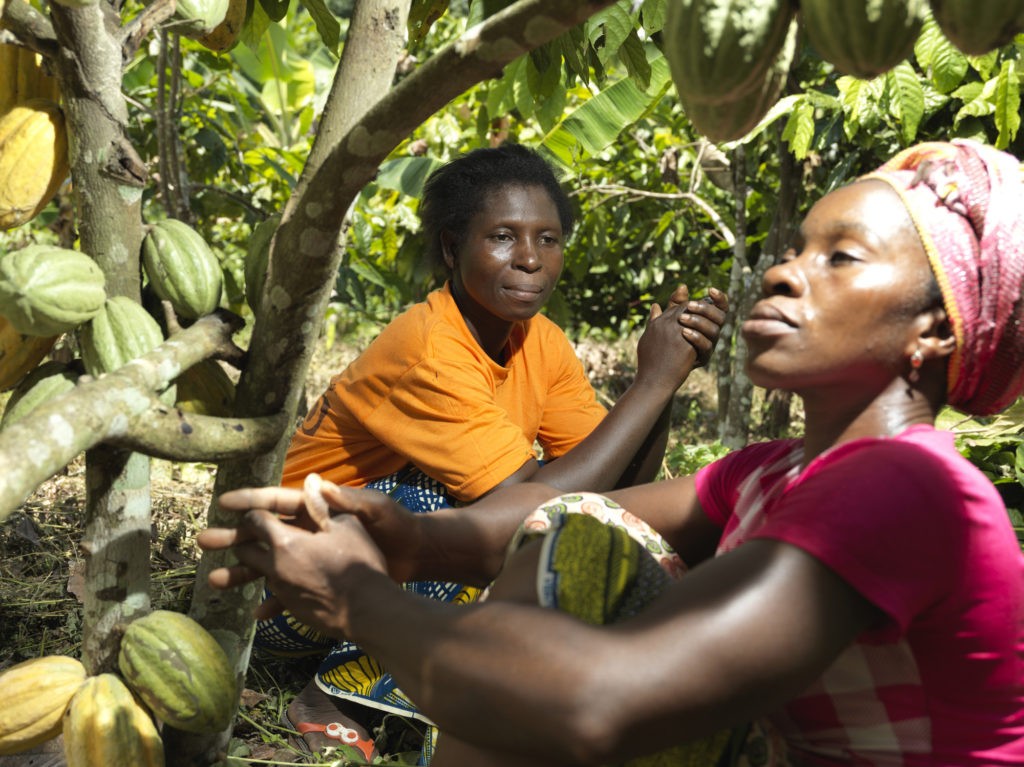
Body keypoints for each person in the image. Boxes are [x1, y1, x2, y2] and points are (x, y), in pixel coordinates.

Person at [200, 138, 1024, 766]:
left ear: (937, 328)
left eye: (837, 257)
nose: (784, 272)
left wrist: (356, 592)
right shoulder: (769, 473)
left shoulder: (904, 484)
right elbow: (553, 511)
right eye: (795, 248)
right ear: (453, 250)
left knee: (570, 589)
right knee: (574, 544)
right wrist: (405, 538)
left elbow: (601, 696)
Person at [258, 143, 728, 758]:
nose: (530, 260)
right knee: (455, 500)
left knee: (559, 526)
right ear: (453, 249)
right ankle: (333, 697)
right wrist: (651, 384)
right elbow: (527, 506)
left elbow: (611, 491)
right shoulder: (427, 347)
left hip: (378, 577)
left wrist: (667, 379)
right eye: (503, 237)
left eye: (548, 239)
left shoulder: (541, 341)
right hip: (285, 583)